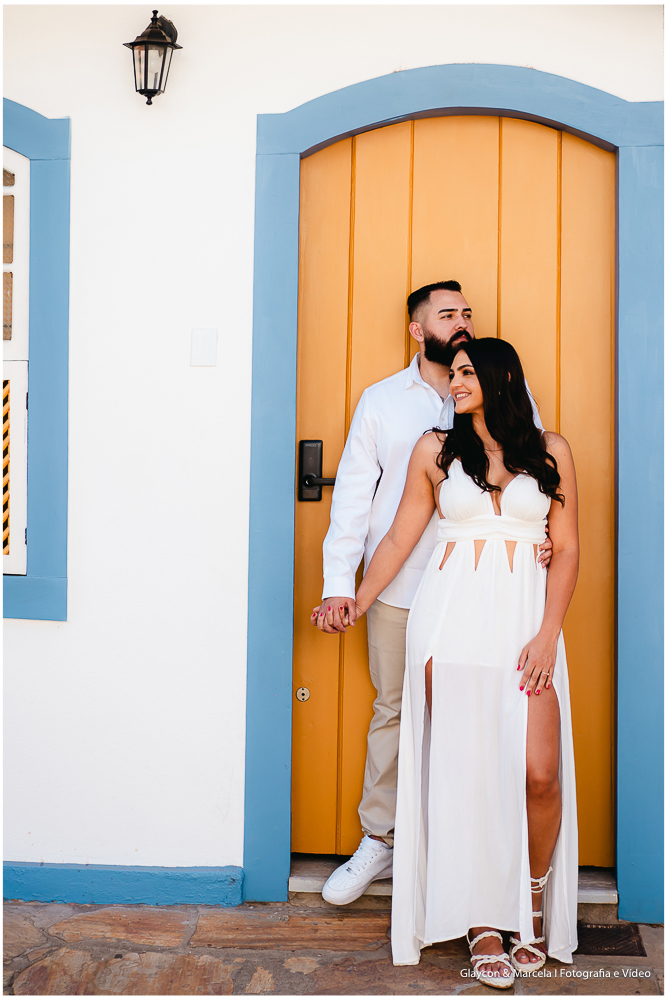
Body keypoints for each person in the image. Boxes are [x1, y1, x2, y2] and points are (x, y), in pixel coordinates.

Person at [348, 338, 579, 986]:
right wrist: (355, 599)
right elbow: (400, 536)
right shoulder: (435, 450)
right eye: (452, 373)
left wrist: (547, 635)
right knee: (464, 775)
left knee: (539, 774)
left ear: (501, 376)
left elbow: (565, 549)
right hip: (449, 626)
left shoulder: (551, 450)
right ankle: (483, 921)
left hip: (526, 628)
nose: (454, 382)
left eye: (466, 372)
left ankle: (529, 898)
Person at [311, 281, 550, 906]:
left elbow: (535, 474)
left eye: (466, 312)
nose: (462, 321)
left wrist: (545, 538)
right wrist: (342, 589)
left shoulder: (505, 389)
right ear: (418, 330)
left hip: (481, 590)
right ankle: (382, 840)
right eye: (447, 315)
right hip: (399, 586)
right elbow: (353, 499)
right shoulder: (382, 402)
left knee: (478, 714)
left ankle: (462, 848)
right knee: (394, 710)